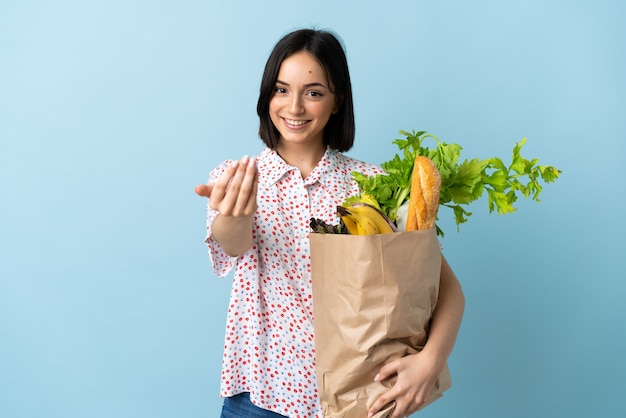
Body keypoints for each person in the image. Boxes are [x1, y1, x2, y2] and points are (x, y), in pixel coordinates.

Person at [195, 28, 465, 418]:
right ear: (266, 96)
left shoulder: (372, 186)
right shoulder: (236, 178)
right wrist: (235, 215)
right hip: (259, 402)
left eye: (314, 92)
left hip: (357, 401)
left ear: (337, 101)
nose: (295, 106)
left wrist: (430, 362)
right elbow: (233, 243)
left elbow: (447, 289)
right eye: (281, 89)